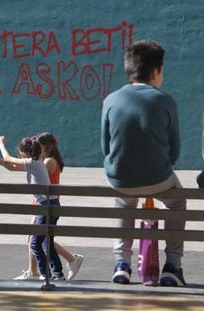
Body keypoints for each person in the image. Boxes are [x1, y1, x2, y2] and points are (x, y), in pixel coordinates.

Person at [101, 40, 187, 287]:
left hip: (121, 177)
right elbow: (175, 150)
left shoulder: (110, 100)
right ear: (156, 71)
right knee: (177, 201)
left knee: (124, 201)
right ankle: (172, 266)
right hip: (159, 177)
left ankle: (122, 265)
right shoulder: (165, 101)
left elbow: (106, 147)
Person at [0, 135, 65, 280]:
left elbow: (9, 159)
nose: (20, 155)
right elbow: (11, 167)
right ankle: (58, 274)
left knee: (35, 244)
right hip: (53, 205)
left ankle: (45, 274)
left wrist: (0, 144)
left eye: (21, 152)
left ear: (26, 153)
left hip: (46, 207)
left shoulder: (33, 163)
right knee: (46, 242)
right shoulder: (36, 163)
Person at [13, 133, 84, 281]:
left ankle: (65, 262)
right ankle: (47, 270)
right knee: (42, 239)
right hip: (43, 204)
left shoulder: (47, 162)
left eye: (39, 147)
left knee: (37, 239)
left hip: (46, 205)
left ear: (47, 148)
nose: (36, 149)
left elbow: (29, 170)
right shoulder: (45, 161)